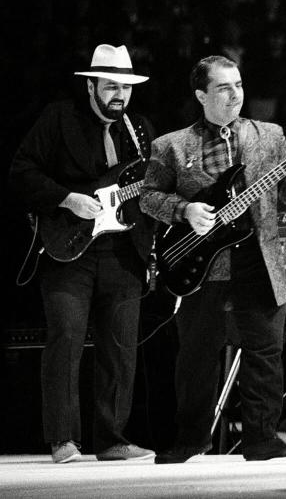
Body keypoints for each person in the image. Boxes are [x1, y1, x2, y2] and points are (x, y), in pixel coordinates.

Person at [139, 55, 286, 463]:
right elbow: (148, 197)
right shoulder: (171, 145)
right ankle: (191, 439)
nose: (235, 93)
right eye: (223, 87)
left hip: (258, 255)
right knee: (197, 355)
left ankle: (261, 439)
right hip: (200, 263)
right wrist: (185, 211)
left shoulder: (269, 135)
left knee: (265, 352)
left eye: (238, 84)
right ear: (201, 95)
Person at [8, 44, 156, 463]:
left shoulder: (139, 128)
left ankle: (111, 439)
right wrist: (67, 198)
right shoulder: (59, 118)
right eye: (110, 87)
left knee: (121, 346)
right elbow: (21, 172)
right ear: (90, 86)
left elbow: (151, 182)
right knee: (66, 340)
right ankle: (62, 440)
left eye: (125, 88)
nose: (119, 96)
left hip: (122, 248)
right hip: (67, 247)